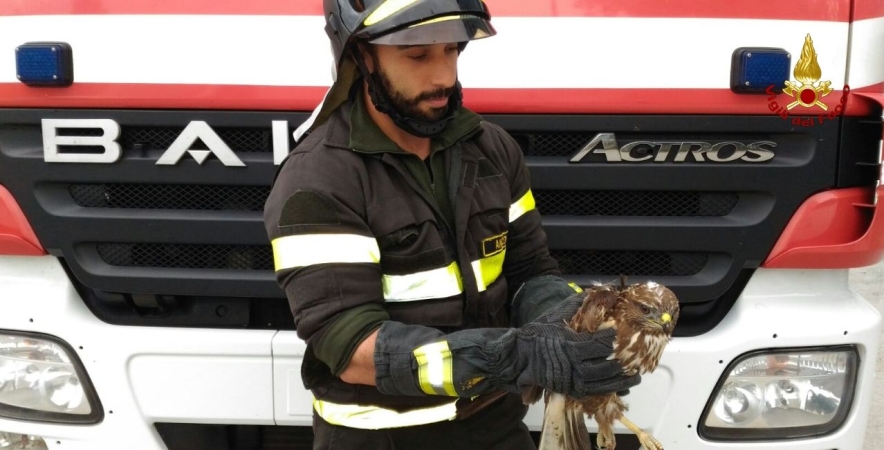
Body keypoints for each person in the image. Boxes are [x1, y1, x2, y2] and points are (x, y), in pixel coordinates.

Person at [263, 0, 640, 448]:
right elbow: (351, 347)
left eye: (451, 50)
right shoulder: (317, 180)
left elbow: (530, 272)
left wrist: (573, 328)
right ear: (363, 56)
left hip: (496, 426)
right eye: (417, 55)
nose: (443, 76)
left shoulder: (492, 150)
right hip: (380, 437)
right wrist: (513, 357)